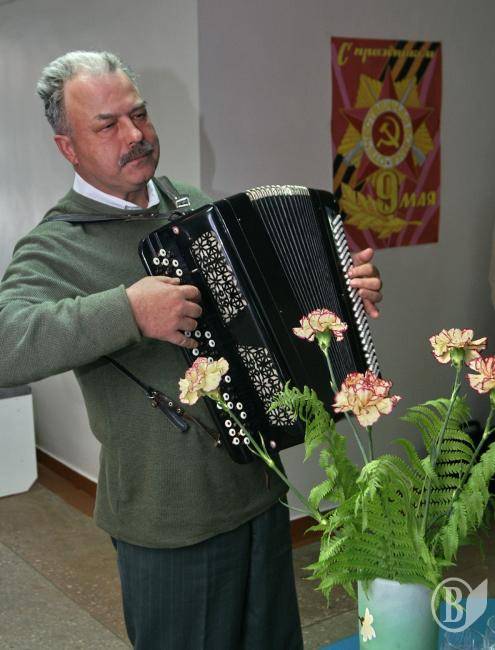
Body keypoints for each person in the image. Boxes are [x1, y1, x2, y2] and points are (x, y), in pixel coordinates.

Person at [0, 51, 383, 649]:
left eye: (139, 114)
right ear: (67, 147)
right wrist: (128, 312)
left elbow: (261, 312)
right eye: (107, 125)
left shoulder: (189, 205)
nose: (135, 134)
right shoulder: (54, 247)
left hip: (258, 488)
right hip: (168, 520)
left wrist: (339, 287)